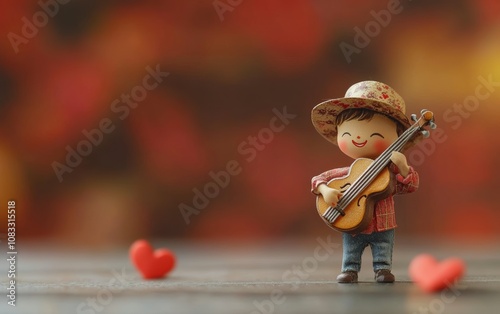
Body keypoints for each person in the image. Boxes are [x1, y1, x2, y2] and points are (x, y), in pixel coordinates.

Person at [311, 81, 419, 283]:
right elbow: (319, 179)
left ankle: (383, 269)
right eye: (348, 133)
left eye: (375, 134)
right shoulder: (349, 171)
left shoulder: (391, 172)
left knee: (383, 247)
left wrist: (404, 168)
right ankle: (350, 269)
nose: (359, 138)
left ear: (397, 137)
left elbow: (410, 186)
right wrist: (325, 190)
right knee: (351, 249)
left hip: (383, 223)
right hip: (351, 220)